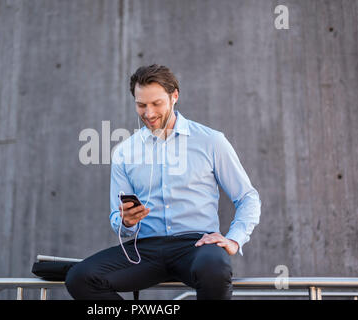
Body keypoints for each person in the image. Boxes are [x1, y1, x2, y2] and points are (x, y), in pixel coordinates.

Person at [65, 64, 261, 300]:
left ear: (174, 96)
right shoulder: (125, 152)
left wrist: (233, 240)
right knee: (80, 277)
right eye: (141, 105)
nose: (148, 113)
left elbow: (247, 197)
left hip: (197, 246)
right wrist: (126, 221)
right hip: (146, 250)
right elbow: (117, 221)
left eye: (156, 103)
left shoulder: (211, 142)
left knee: (215, 268)